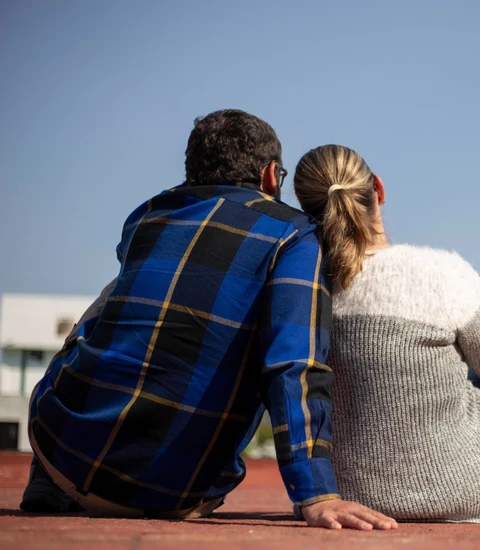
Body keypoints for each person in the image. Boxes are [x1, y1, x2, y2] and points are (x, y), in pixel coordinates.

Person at [19, 111, 397, 531]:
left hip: (59, 448)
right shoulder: (295, 234)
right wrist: (317, 494)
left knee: (115, 296)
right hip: (170, 491)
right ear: (271, 175)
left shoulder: (145, 217)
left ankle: (46, 480)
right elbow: (295, 365)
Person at [292, 144, 480, 523]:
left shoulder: (303, 290)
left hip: (347, 497)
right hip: (461, 491)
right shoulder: (443, 273)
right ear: (379, 190)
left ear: (308, 211)